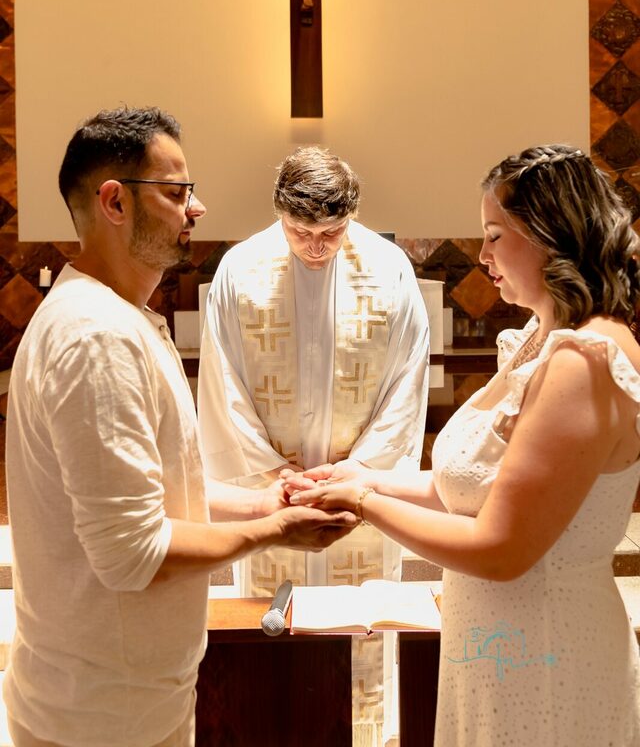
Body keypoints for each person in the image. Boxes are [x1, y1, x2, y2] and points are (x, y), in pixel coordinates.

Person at [3, 108, 356, 747]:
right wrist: (275, 530)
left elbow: (158, 493)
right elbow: (132, 553)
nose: (197, 209)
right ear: (114, 202)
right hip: (100, 714)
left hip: (129, 695)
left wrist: (261, 498)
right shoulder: (96, 339)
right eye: (176, 193)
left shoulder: (121, 318)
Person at [287, 145, 640, 747]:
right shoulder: (539, 340)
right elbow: (470, 490)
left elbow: (501, 548)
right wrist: (361, 477)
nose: (481, 256)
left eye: (496, 236)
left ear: (551, 234)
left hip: (548, 654)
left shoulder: (585, 359)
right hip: (498, 650)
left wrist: (365, 506)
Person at [198, 144, 430, 745]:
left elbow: (408, 382)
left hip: (360, 493)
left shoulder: (389, 268)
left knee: (364, 655)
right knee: (269, 643)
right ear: (279, 215)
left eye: (332, 231)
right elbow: (223, 383)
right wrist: (273, 473)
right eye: (302, 231)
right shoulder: (240, 269)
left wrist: (360, 474)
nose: (318, 246)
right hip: (273, 488)